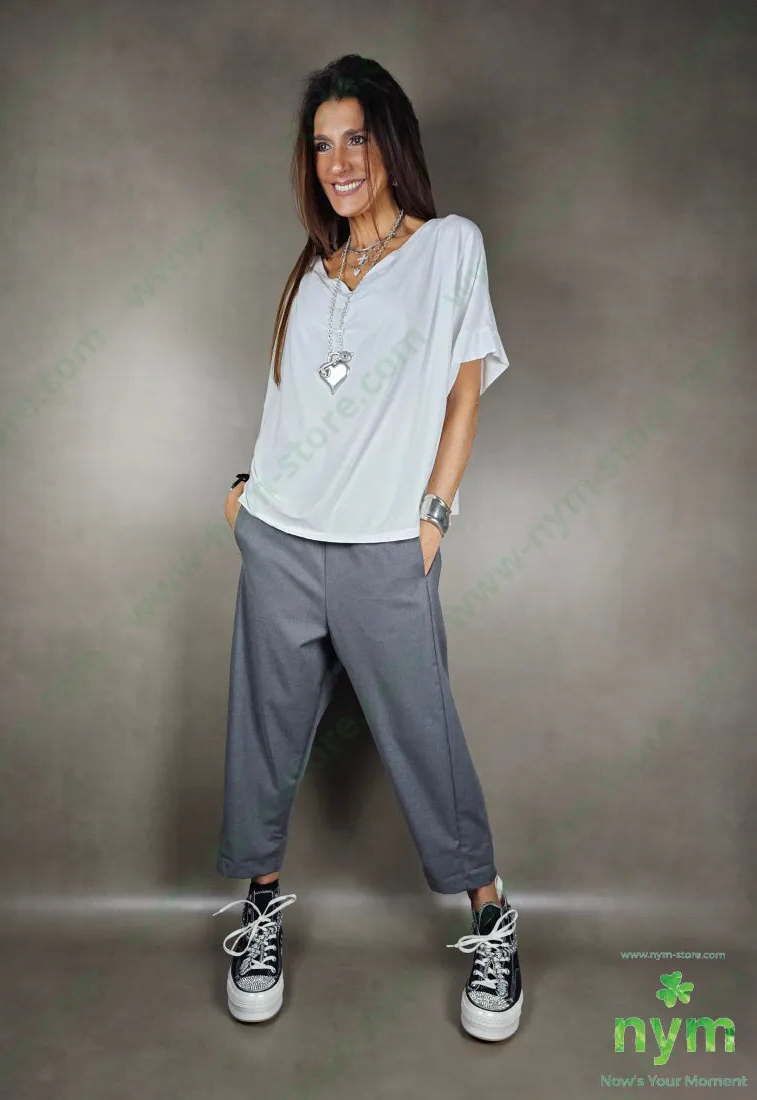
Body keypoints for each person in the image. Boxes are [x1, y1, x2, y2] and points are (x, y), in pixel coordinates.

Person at [211, 54, 522, 1042]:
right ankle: (261, 913)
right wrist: (248, 503)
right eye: (322, 145)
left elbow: (464, 393)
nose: (339, 161)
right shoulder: (311, 274)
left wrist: (433, 517)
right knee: (264, 736)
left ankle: (491, 921)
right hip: (282, 543)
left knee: (424, 737)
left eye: (356, 138)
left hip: (387, 547)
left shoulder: (448, 247)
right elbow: (292, 406)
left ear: (391, 143)